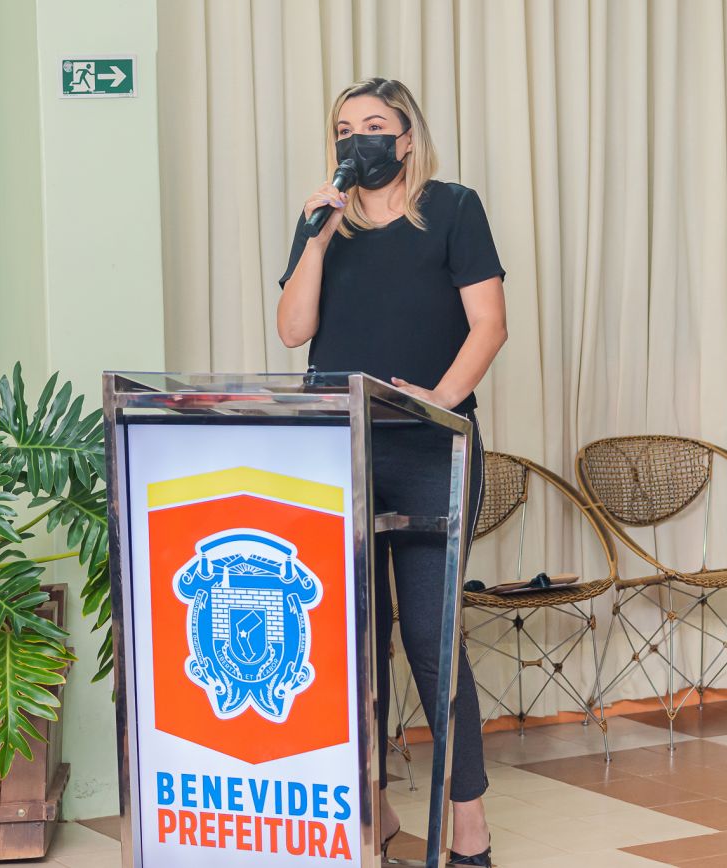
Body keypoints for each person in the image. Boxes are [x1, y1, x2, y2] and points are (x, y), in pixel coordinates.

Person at [277, 77, 507, 867]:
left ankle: (468, 820)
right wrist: (314, 239)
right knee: (353, 639)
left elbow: (488, 324)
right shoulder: (326, 222)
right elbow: (293, 330)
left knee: (431, 637)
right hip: (341, 453)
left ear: (407, 137)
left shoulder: (453, 209)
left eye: (374, 125)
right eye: (345, 129)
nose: (358, 140)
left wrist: (440, 399)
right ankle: (371, 809)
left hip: (431, 449)